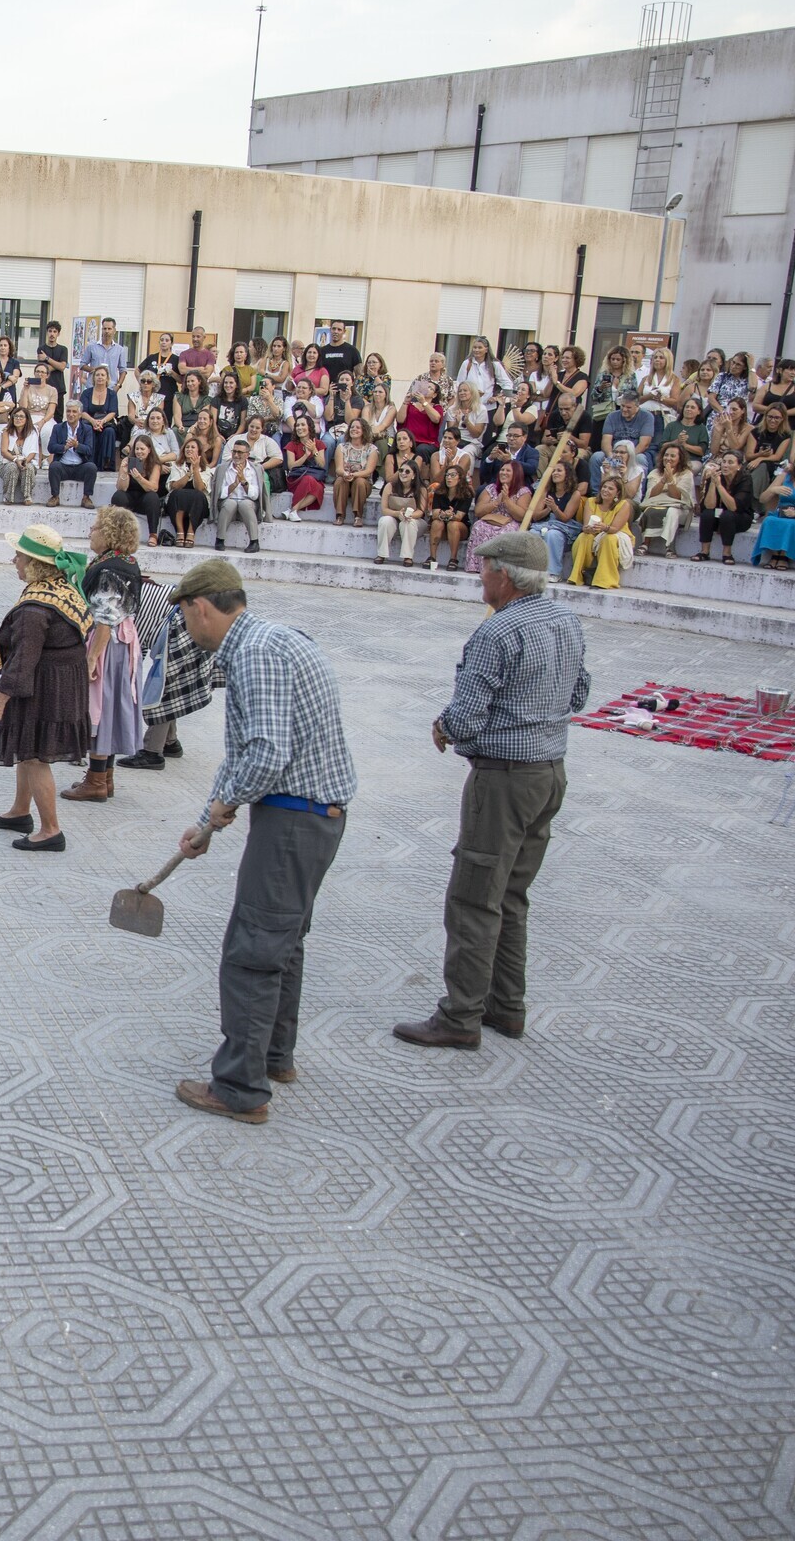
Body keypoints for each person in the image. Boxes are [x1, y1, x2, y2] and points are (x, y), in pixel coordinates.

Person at [165, 558, 356, 1125]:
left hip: (293, 821)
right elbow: (250, 750)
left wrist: (226, 805)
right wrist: (206, 820)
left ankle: (241, 1089)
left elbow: (267, 753)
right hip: (312, 816)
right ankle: (275, 1056)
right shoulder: (275, 639)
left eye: (184, 618)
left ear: (202, 607)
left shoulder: (255, 653)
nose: (187, 631)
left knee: (252, 949)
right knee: (283, 940)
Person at [394, 531, 590, 1051]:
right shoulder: (566, 621)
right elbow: (581, 693)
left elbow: (467, 714)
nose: (479, 576)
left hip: (504, 779)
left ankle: (460, 1016)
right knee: (512, 895)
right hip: (550, 772)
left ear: (504, 575)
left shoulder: (497, 633)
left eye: (484, 568)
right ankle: (507, 1007)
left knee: (475, 898)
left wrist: (444, 726)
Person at [0, 524, 92, 854]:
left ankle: (50, 830)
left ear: (35, 563)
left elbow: (22, 660)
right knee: (26, 746)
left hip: (43, 684)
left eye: (19, 556)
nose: (14, 560)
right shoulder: (63, 588)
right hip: (62, 680)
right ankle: (19, 811)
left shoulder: (35, 608)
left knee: (32, 755)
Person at [61, 508, 147, 804]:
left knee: (99, 705)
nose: (90, 532)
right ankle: (104, 777)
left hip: (107, 643)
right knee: (109, 704)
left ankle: (96, 780)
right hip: (121, 641)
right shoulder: (124, 562)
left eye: (95, 527)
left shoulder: (112, 568)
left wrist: (91, 658)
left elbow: (106, 619)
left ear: (110, 533)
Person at [567, 474, 632, 589]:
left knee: (609, 538)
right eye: (604, 487)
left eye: (610, 488)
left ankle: (605, 580)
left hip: (616, 535)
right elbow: (586, 525)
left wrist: (604, 527)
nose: (606, 490)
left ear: (617, 493)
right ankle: (577, 575)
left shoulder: (624, 505)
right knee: (584, 536)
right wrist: (588, 528)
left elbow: (615, 529)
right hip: (596, 534)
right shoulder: (591, 502)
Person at [216, 439, 264, 553]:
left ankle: (254, 542)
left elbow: (255, 495)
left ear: (247, 454)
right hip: (228, 503)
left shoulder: (255, 469)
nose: (236, 455)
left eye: (240, 453)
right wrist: (234, 484)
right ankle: (220, 539)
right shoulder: (223, 468)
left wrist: (243, 482)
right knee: (229, 503)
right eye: (234, 452)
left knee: (245, 504)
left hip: (247, 504)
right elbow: (220, 494)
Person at [375, 460, 426, 565]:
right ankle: (381, 554)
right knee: (385, 520)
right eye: (401, 470)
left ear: (413, 475)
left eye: (407, 471)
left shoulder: (421, 489)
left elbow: (421, 511)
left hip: (415, 520)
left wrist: (408, 516)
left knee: (408, 522)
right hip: (394, 517)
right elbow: (384, 509)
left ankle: (408, 556)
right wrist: (398, 514)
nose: (403, 473)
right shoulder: (390, 486)